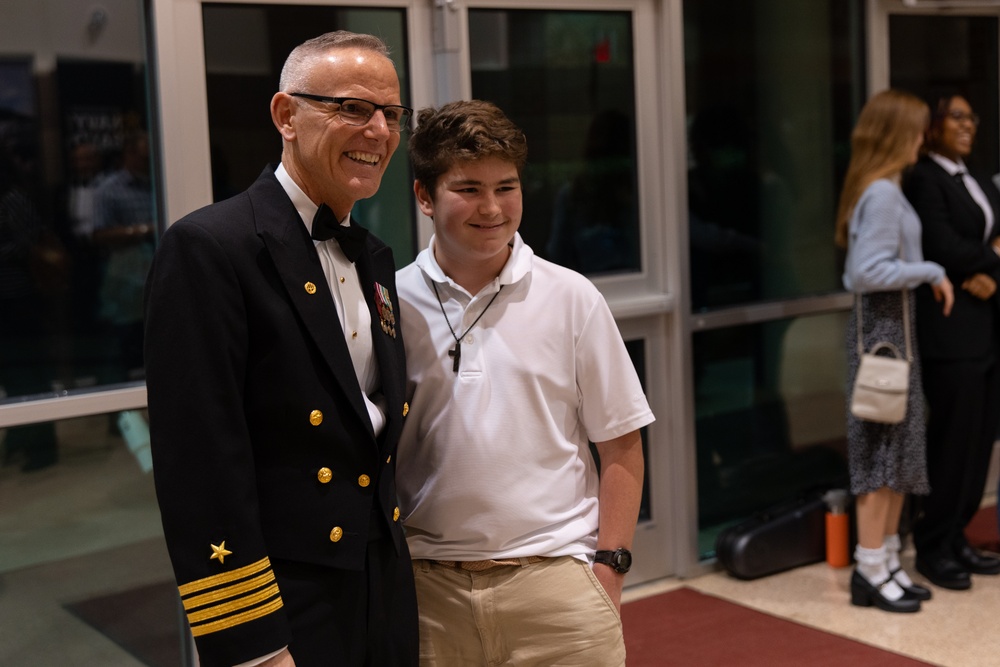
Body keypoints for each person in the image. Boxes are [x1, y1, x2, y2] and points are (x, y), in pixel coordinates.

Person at [144, 31, 418, 667]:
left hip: (379, 579)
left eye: (391, 114)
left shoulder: (375, 257)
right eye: (352, 108)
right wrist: (252, 643)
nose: (378, 131)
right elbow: (201, 463)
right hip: (285, 598)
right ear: (285, 115)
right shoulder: (212, 248)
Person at [395, 99, 654, 666]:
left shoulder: (572, 297)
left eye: (506, 187)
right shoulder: (390, 305)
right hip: (426, 594)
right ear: (424, 196)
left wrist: (610, 569)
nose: (491, 208)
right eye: (468, 189)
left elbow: (621, 443)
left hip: (557, 586)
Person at [835, 89, 954, 613]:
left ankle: (885, 564)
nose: (923, 139)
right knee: (882, 455)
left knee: (900, 454)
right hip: (881, 339)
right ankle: (869, 569)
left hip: (893, 335)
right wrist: (931, 272)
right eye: (917, 129)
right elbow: (865, 273)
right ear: (896, 133)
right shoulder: (882, 193)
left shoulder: (885, 187)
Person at [902, 93, 1000, 591]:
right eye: (957, 117)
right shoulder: (924, 179)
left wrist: (988, 273)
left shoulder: (977, 176)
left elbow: (992, 240)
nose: (967, 125)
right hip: (950, 332)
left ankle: (958, 532)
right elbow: (942, 246)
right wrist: (988, 262)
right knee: (952, 442)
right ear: (933, 124)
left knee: (981, 439)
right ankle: (933, 543)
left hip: (987, 326)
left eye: (971, 116)